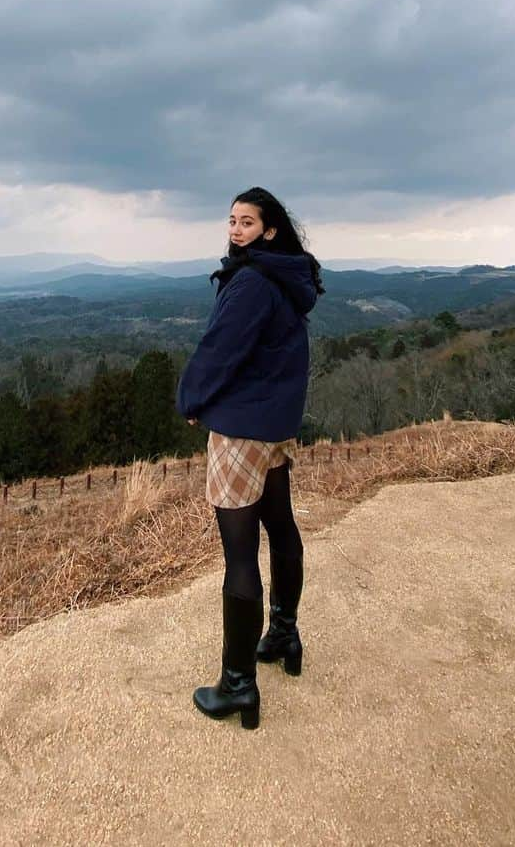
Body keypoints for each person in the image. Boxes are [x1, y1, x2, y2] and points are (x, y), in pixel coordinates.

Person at [175, 186, 324, 730]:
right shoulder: (286, 277)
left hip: (241, 432)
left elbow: (219, 349)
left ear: (269, 229)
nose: (236, 229)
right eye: (232, 221)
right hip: (277, 428)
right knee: (281, 529)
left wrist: (192, 400)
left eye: (247, 222)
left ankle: (238, 685)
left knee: (240, 556)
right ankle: (283, 633)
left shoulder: (251, 283)